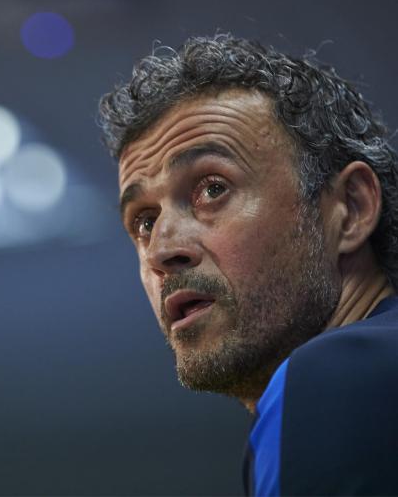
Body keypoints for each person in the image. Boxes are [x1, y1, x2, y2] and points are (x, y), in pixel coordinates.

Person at [98, 34, 398, 496]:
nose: (161, 250)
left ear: (351, 209)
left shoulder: (333, 377)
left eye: (212, 189)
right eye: (144, 221)